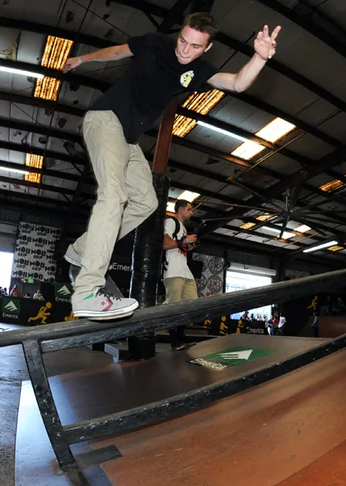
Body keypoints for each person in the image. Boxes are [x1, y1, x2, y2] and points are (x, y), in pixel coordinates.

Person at [61, 12, 281, 320]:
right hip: (105, 119)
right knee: (114, 196)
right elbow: (116, 52)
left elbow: (236, 83)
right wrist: (83, 60)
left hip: (128, 139)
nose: (184, 50)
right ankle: (87, 291)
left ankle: (82, 249)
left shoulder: (201, 70)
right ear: (178, 34)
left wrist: (259, 58)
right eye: (182, 41)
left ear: (206, 48)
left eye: (194, 46)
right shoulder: (156, 44)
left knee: (146, 201)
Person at [162, 200, 198, 350]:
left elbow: (179, 246)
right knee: (174, 305)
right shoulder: (171, 222)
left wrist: (188, 246)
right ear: (181, 209)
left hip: (184, 269)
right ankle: (175, 340)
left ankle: (181, 335)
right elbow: (164, 244)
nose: (192, 212)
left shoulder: (182, 227)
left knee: (191, 303)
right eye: (189, 209)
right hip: (173, 270)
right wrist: (185, 240)